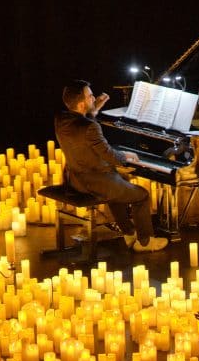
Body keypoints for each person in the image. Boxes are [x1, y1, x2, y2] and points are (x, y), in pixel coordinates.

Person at [55, 79, 168, 252]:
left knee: (119, 185)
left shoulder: (61, 119)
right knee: (142, 196)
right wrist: (127, 157)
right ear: (81, 103)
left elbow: (81, 125)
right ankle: (145, 242)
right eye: (90, 96)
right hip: (95, 183)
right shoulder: (91, 127)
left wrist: (93, 110)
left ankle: (129, 235)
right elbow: (109, 154)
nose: (94, 97)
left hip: (75, 180)